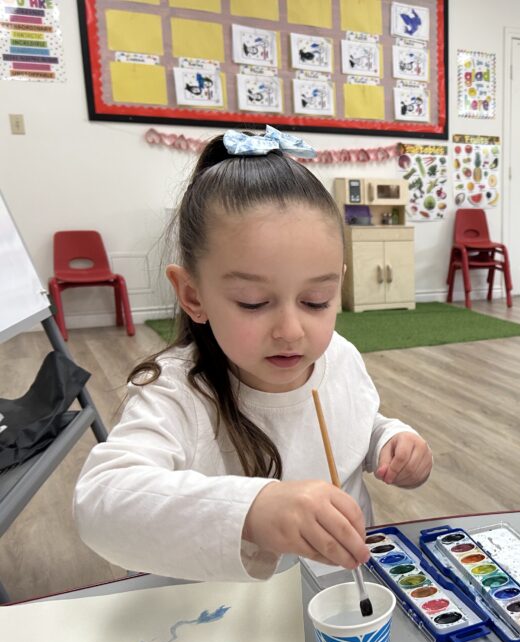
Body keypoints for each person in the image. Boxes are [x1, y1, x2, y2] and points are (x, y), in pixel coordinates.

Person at [74, 127, 432, 582]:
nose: (290, 330)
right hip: (226, 616)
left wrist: (390, 440)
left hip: (342, 593)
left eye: (317, 300)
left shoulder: (338, 356)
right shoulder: (177, 392)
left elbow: (358, 421)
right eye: (253, 303)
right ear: (193, 293)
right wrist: (252, 510)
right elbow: (101, 500)